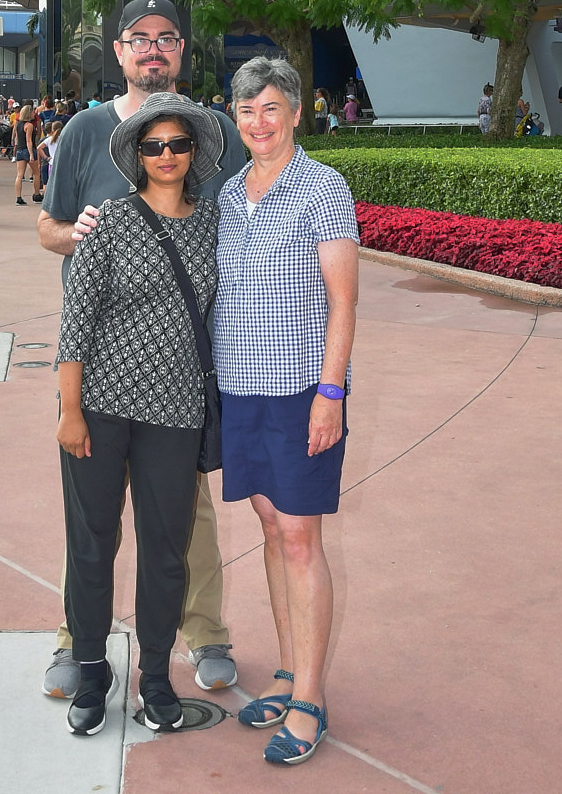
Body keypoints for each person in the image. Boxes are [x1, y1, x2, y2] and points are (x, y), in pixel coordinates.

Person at [39, 0, 246, 703]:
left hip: (182, 373)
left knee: (184, 517)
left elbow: (240, 222)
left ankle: (205, 633)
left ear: (181, 50)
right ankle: (76, 643)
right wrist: (76, 236)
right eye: (139, 38)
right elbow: (48, 226)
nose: (152, 49)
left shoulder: (214, 131)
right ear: (119, 51)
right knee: (90, 519)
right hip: (99, 365)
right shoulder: (83, 130)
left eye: (166, 38)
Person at [56, 94, 227, 737]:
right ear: (136, 155)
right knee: (92, 543)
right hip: (100, 409)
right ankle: (91, 670)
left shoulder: (212, 225)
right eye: (153, 146)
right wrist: (70, 410)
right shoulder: (111, 223)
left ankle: (155, 674)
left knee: (166, 549)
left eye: (177, 144)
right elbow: (76, 322)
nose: (166, 155)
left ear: (193, 152)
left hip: (175, 413)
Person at [217, 55, 359, 767]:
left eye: (271, 108)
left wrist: (330, 393)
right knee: (271, 528)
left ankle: (310, 697)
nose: (259, 122)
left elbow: (343, 302)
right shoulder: (228, 192)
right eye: (246, 110)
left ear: (297, 112)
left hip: (302, 391)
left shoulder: (322, 188)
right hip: (239, 389)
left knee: (300, 537)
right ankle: (285, 670)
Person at [13, 101, 40, 206]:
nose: (34, 114)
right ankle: (36, 194)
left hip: (20, 150)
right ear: (29, 113)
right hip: (28, 150)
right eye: (32, 112)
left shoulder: (18, 124)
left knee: (19, 175)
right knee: (36, 173)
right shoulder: (29, 125)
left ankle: (18, 197)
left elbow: (18, 137)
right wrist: (31, 154)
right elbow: (29, 140)